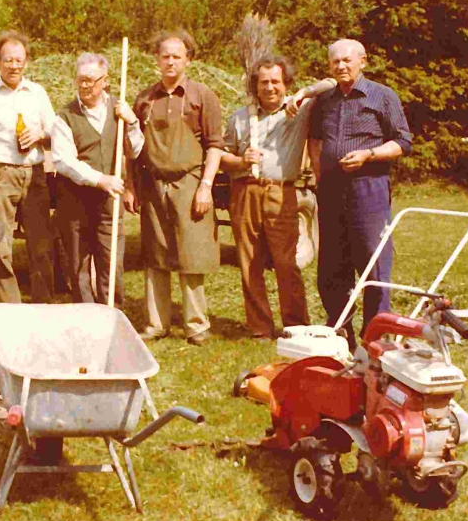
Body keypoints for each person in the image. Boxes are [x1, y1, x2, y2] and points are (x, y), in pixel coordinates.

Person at [221, 55, 336, 338]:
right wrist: (240, 160)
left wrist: (303, 93)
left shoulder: (300, 109)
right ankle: (260, 328)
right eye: (263, 82)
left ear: (286, 83)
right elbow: (221, 156)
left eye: (275, 81)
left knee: (286, 263)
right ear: (255, 85)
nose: (270, 87)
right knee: (250, 261)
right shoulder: (240, 117)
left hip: (281, 192)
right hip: (245, 190)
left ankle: (295, 326)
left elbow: (331, 83)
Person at [309, 39, 413, 349]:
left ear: (362, 61)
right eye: (335, 62)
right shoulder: (325, 101)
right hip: (331, 190)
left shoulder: (382, 96)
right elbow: (315, 140)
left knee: (373, 263)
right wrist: (319, 175)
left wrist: (369, 154)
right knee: (331, 266)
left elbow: (403, 142)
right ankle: (340, 332)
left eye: (347, 60)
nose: (341, 66)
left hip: (369, 188)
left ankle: (375, 338)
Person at [124, 30, 224, 345]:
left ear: (188, 60)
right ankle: (157, 323)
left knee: (190, 253)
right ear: (157, 59)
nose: (170, 62)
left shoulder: (202, 96)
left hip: (190, 183)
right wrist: (131, 186)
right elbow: (132, 148)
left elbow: (215, 145)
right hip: (153, 185)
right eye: (165, 56)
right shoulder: (144, 99)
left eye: (177, 56)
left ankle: (196, 324)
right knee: (155, 255)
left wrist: (205, 186)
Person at [0, 31, 57, 303]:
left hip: (35, 175)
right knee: (0, 244)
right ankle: (11, 305)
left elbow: (56, 133)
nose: (14, 66)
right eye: (8, 60)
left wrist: (40, 135)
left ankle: (43, 301)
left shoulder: (37, 93)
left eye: (19, 60)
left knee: (41, 243)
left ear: (26, 62)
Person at [50, 52, 143, 305]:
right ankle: (85, 314)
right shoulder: (65, 116)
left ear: (105, 81)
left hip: (108, 203)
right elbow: (63, 160)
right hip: (74, 202)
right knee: (78, 263)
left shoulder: (119, 111)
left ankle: (112, 312)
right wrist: (101, 179)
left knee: (111, 262)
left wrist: (132, 122)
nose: (84, 85)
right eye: (80, 79)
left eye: (90, 80)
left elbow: (135, 151)